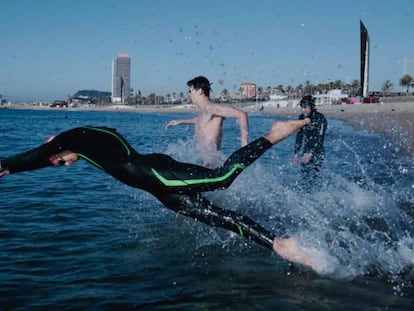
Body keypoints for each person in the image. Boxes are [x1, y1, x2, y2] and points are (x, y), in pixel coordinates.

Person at [0, 119, 315, 270]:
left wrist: (6, 166)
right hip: (159, 188)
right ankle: (278, 244)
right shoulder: (85, 143)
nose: (60, 165)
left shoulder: (75, 137)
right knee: (216, 218)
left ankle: (275, 133)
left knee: (223, 178)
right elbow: (41, 161)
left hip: (157, 175)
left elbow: (37, 155)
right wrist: (14, 171)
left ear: (58, 146)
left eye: (57, 160)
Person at [165, 76, 249, 167]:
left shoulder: (211, 108)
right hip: (203, 164)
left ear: (200, 91)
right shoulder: (204, 112)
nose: (188, 94)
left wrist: (244, 147)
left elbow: (241, 114)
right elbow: (200, 121)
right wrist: (180, 122)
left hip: (211, 165)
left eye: (190, 91)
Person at [293, 95, 328, 182]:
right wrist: (296, 153)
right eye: (302, 107)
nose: (303, 110)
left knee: (313, 176)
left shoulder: (320, 118)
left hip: (318, 150)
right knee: (304, 175)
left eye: (306, 107)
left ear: (312, 106)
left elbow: (320, 138)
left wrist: (311, 153)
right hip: (307, 149)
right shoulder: (301, 117)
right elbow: (299, 135)